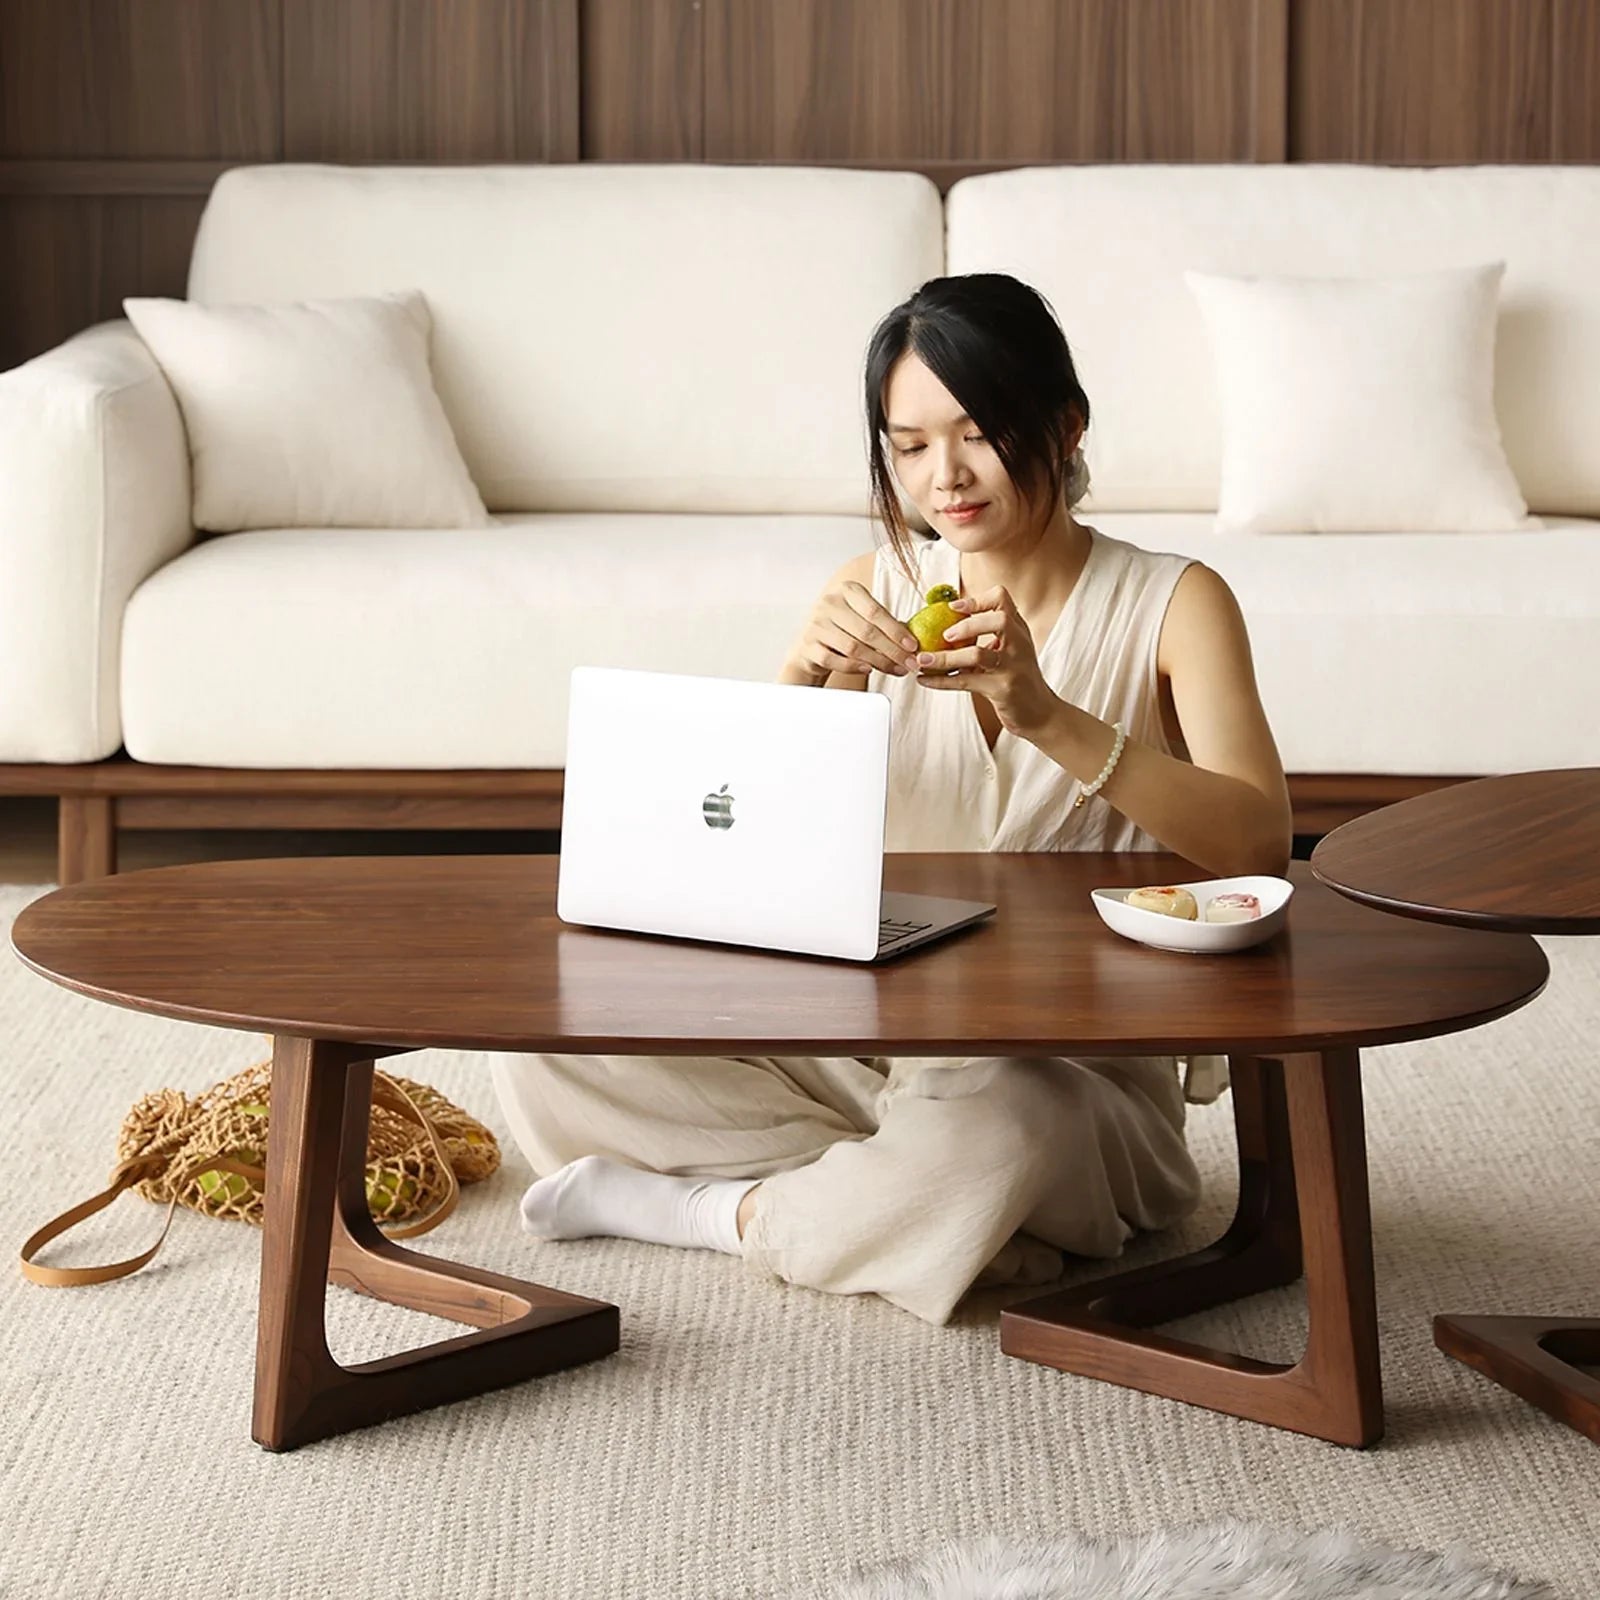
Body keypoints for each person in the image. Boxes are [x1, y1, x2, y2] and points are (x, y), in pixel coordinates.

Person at [489, 273, 1292, 1326]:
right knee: (539, 1048)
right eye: (907, 446)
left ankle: (719, 1211)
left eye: (975, 433)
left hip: (1069, 1074)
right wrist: (799, 683)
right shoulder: (875, 586)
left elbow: (1260, 845)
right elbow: (747, 855)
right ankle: (931, 1206)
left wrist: (1046, 711)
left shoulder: (1176, 603)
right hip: (877, 1037)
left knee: (1006, 1132)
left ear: (1064, 423)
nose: (942, 476)